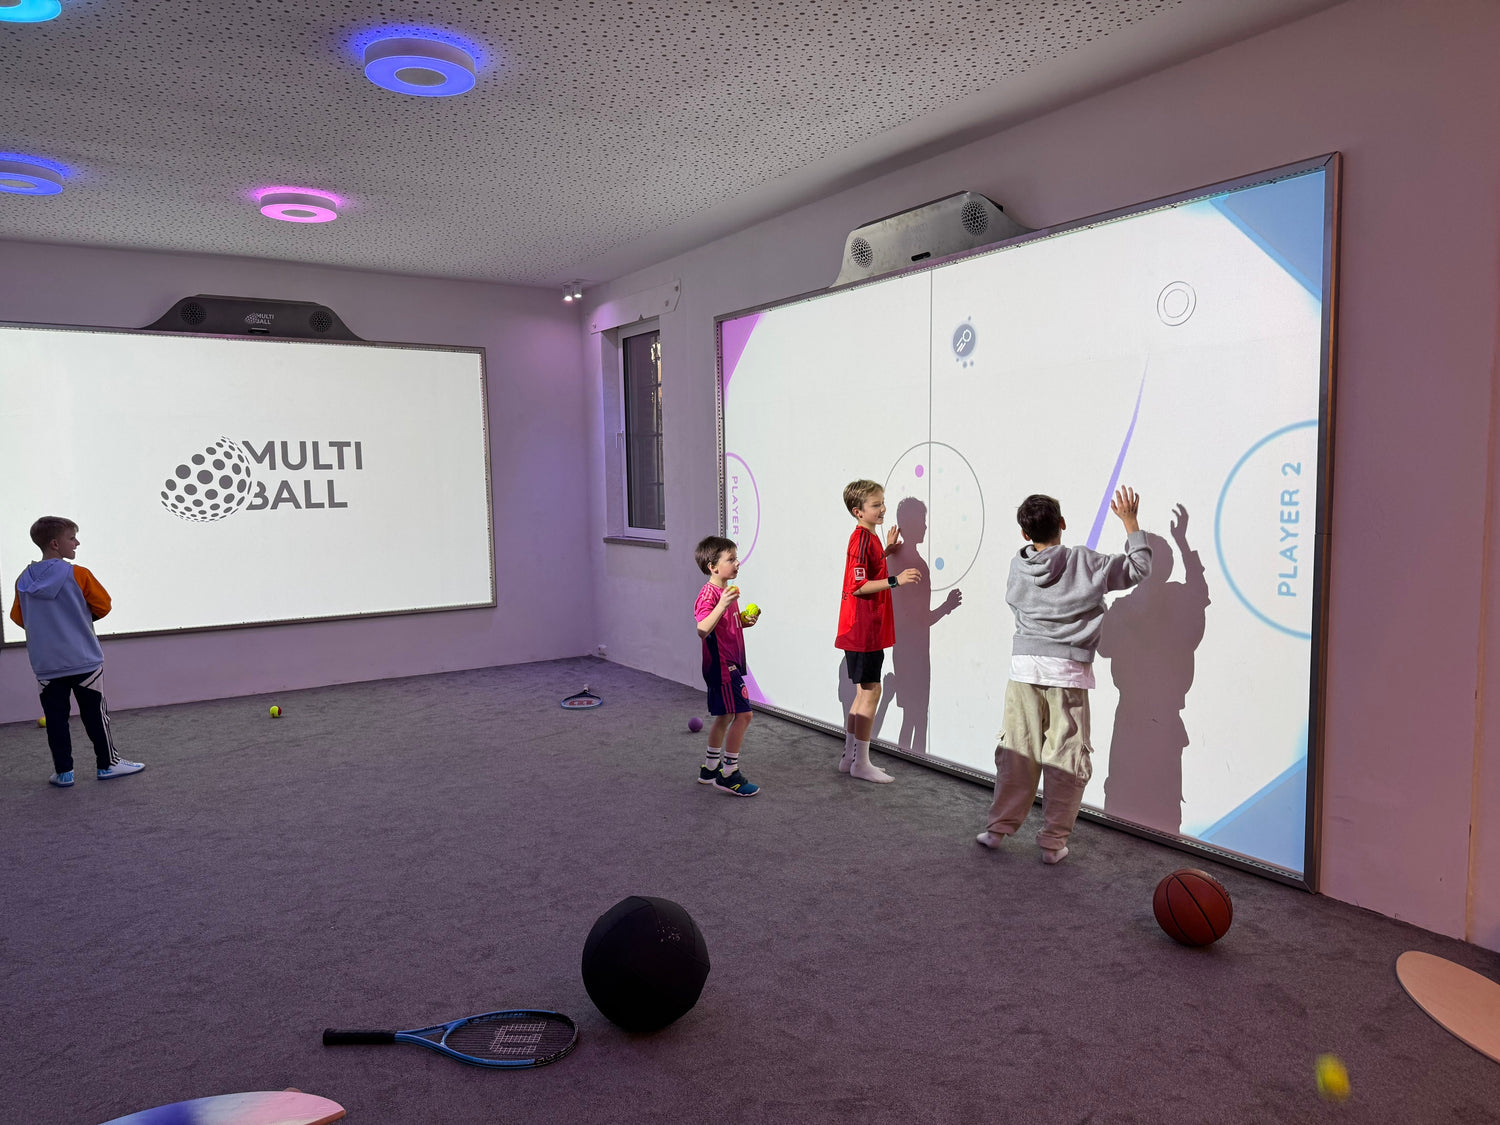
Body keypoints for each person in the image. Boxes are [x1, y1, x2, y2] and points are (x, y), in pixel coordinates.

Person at [977, 488, 1150, 862]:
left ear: (1025, 534)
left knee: (1017, 750)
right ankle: (1053, 843)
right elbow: (1138, 568)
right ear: (1063, 524)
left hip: (1024, 668)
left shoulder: (1017, 565)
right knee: (1065, 757)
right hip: (1068, 674)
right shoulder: (1086, 563)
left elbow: (1015, 604)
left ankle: (997, 829)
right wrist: (1130, 522)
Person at [9, 516, 144, 787]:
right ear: (56, 544)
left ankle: (63, 772)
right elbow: (103, 606)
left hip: (46, 664)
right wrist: (76, 619)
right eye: (72, 538)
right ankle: (108, 765)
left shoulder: (22, 580)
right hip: (83, 659)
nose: (77, 542)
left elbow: (18, 618)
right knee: (95, 715)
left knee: (56, 720)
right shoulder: (79, 574)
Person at [835, 480, 920, 783]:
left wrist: (886, 552)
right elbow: (858, 586)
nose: (882, 509)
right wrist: (896, 580)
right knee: (872, 691)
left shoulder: (868, 539)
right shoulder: (860, 540)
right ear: (858, 511)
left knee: (862, 693)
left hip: (865, 628)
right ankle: (862, 763)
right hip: (863, 629)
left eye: (883, 502)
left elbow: (867, 569)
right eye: (876, 505)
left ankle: (849, 757)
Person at [693, 535, 760, 796]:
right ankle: (729, 774)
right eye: (730, 559)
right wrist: (722, 604)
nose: (737, 563)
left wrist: (742, 620)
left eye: (736, 557)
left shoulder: (725, 592)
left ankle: (710, 768)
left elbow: (722, 625)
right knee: (744, 715)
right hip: (722, 667)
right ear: (713, 566)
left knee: (725, 716)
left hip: (728, 664)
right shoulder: (710, 594)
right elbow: (702, 628)